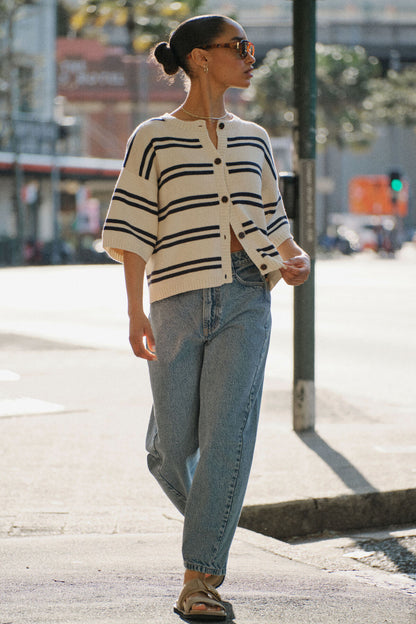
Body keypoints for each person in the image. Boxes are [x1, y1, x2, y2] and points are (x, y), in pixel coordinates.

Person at [102, 14, 310, 621]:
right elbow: (134, 227)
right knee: (168, 450)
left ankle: (201, 579)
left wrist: (294, 260)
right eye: (239, 47)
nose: (251, 56)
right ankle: (214, 522)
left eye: (251, 48)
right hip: (176, 299)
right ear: (199, 58)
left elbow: (272, 217)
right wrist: (135, 309)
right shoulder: (153, 137)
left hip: (248, 295)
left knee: (226, 439)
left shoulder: (254, 137)